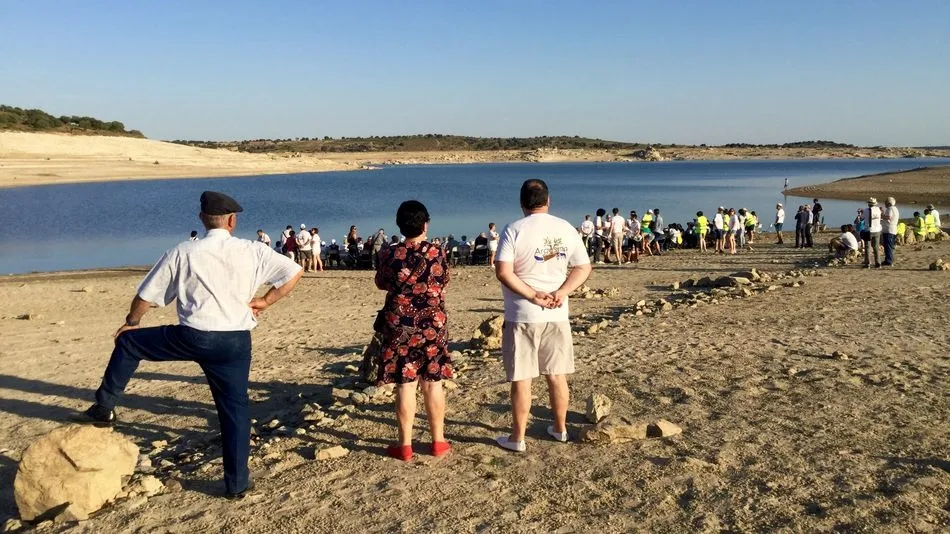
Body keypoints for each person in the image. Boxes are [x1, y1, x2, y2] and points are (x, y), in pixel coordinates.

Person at [75, 191, 303, 499]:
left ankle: (104, 406)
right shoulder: (253, 250)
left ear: (202, 219)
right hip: (235, 340)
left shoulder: (183, 251)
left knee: (129, 343)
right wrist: (266, 301)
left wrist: (131, 322)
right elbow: (294, 271)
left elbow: (147, 296)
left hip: (194, 336)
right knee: (234, 410)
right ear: (232, 221)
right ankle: (236, 485)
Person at [494, 179, 592, 452]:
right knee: (556, 375)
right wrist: (563, 292)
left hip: (523, 313)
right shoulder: (565, 228)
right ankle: (559, 428)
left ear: (522, 203)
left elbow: (503, 271)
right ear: (548, 201)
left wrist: (532, 295)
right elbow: (583, 267)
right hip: (557, 313)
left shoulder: (514, 229)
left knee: (522, 379)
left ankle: (518, 438)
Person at [374, 200, 452, 461]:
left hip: (400, 325)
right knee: (433, 382)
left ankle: (405, 445)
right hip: (432, 324)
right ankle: (438, 441)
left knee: (405, 384)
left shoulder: (389, 254)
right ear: (425, 224)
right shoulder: (437, 253)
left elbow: (381, 283)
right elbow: (444, 282)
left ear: (399, 224)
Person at [863, 197, 882, 268]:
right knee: (876, 247)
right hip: (877, 230)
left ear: (869, 204)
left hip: (868, 230)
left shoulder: (865, 211)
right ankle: (878, 263)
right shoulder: (878, 210)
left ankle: (867, 263)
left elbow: (862, 218)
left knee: (867, 247)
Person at [881, 197, 899, 266]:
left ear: (889, 203)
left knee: (888, 246)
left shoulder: (890, 208)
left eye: (886, 202)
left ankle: (889, 261)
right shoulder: (895, 209)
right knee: (890, 246)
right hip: (892, 229)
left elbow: (889, 217)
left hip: (889, 230)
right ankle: (889, 259)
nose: (885, 203)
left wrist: (881, 215)